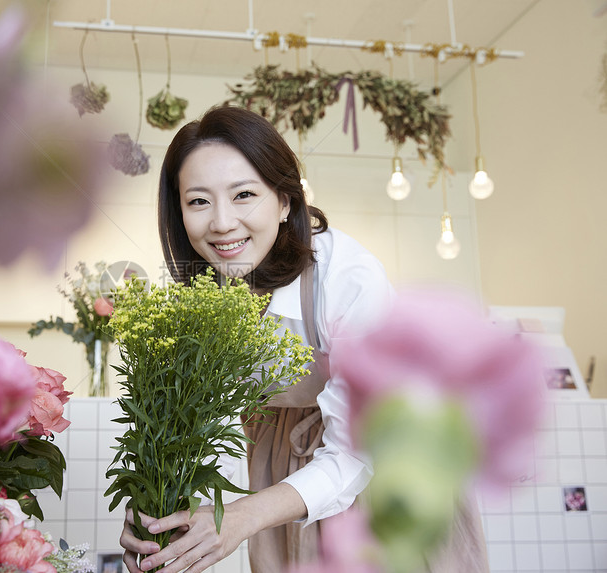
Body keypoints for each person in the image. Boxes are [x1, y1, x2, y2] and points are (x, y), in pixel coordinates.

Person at [119, 105, 489, 573]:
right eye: (198, 201)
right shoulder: (203, 295)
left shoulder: (347, 277)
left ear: (285, 201)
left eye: (244, 195)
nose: (222, 223)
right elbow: (204, 428)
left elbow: (360, 448)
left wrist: (240, 516)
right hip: (280, 476)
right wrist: (163, 512)